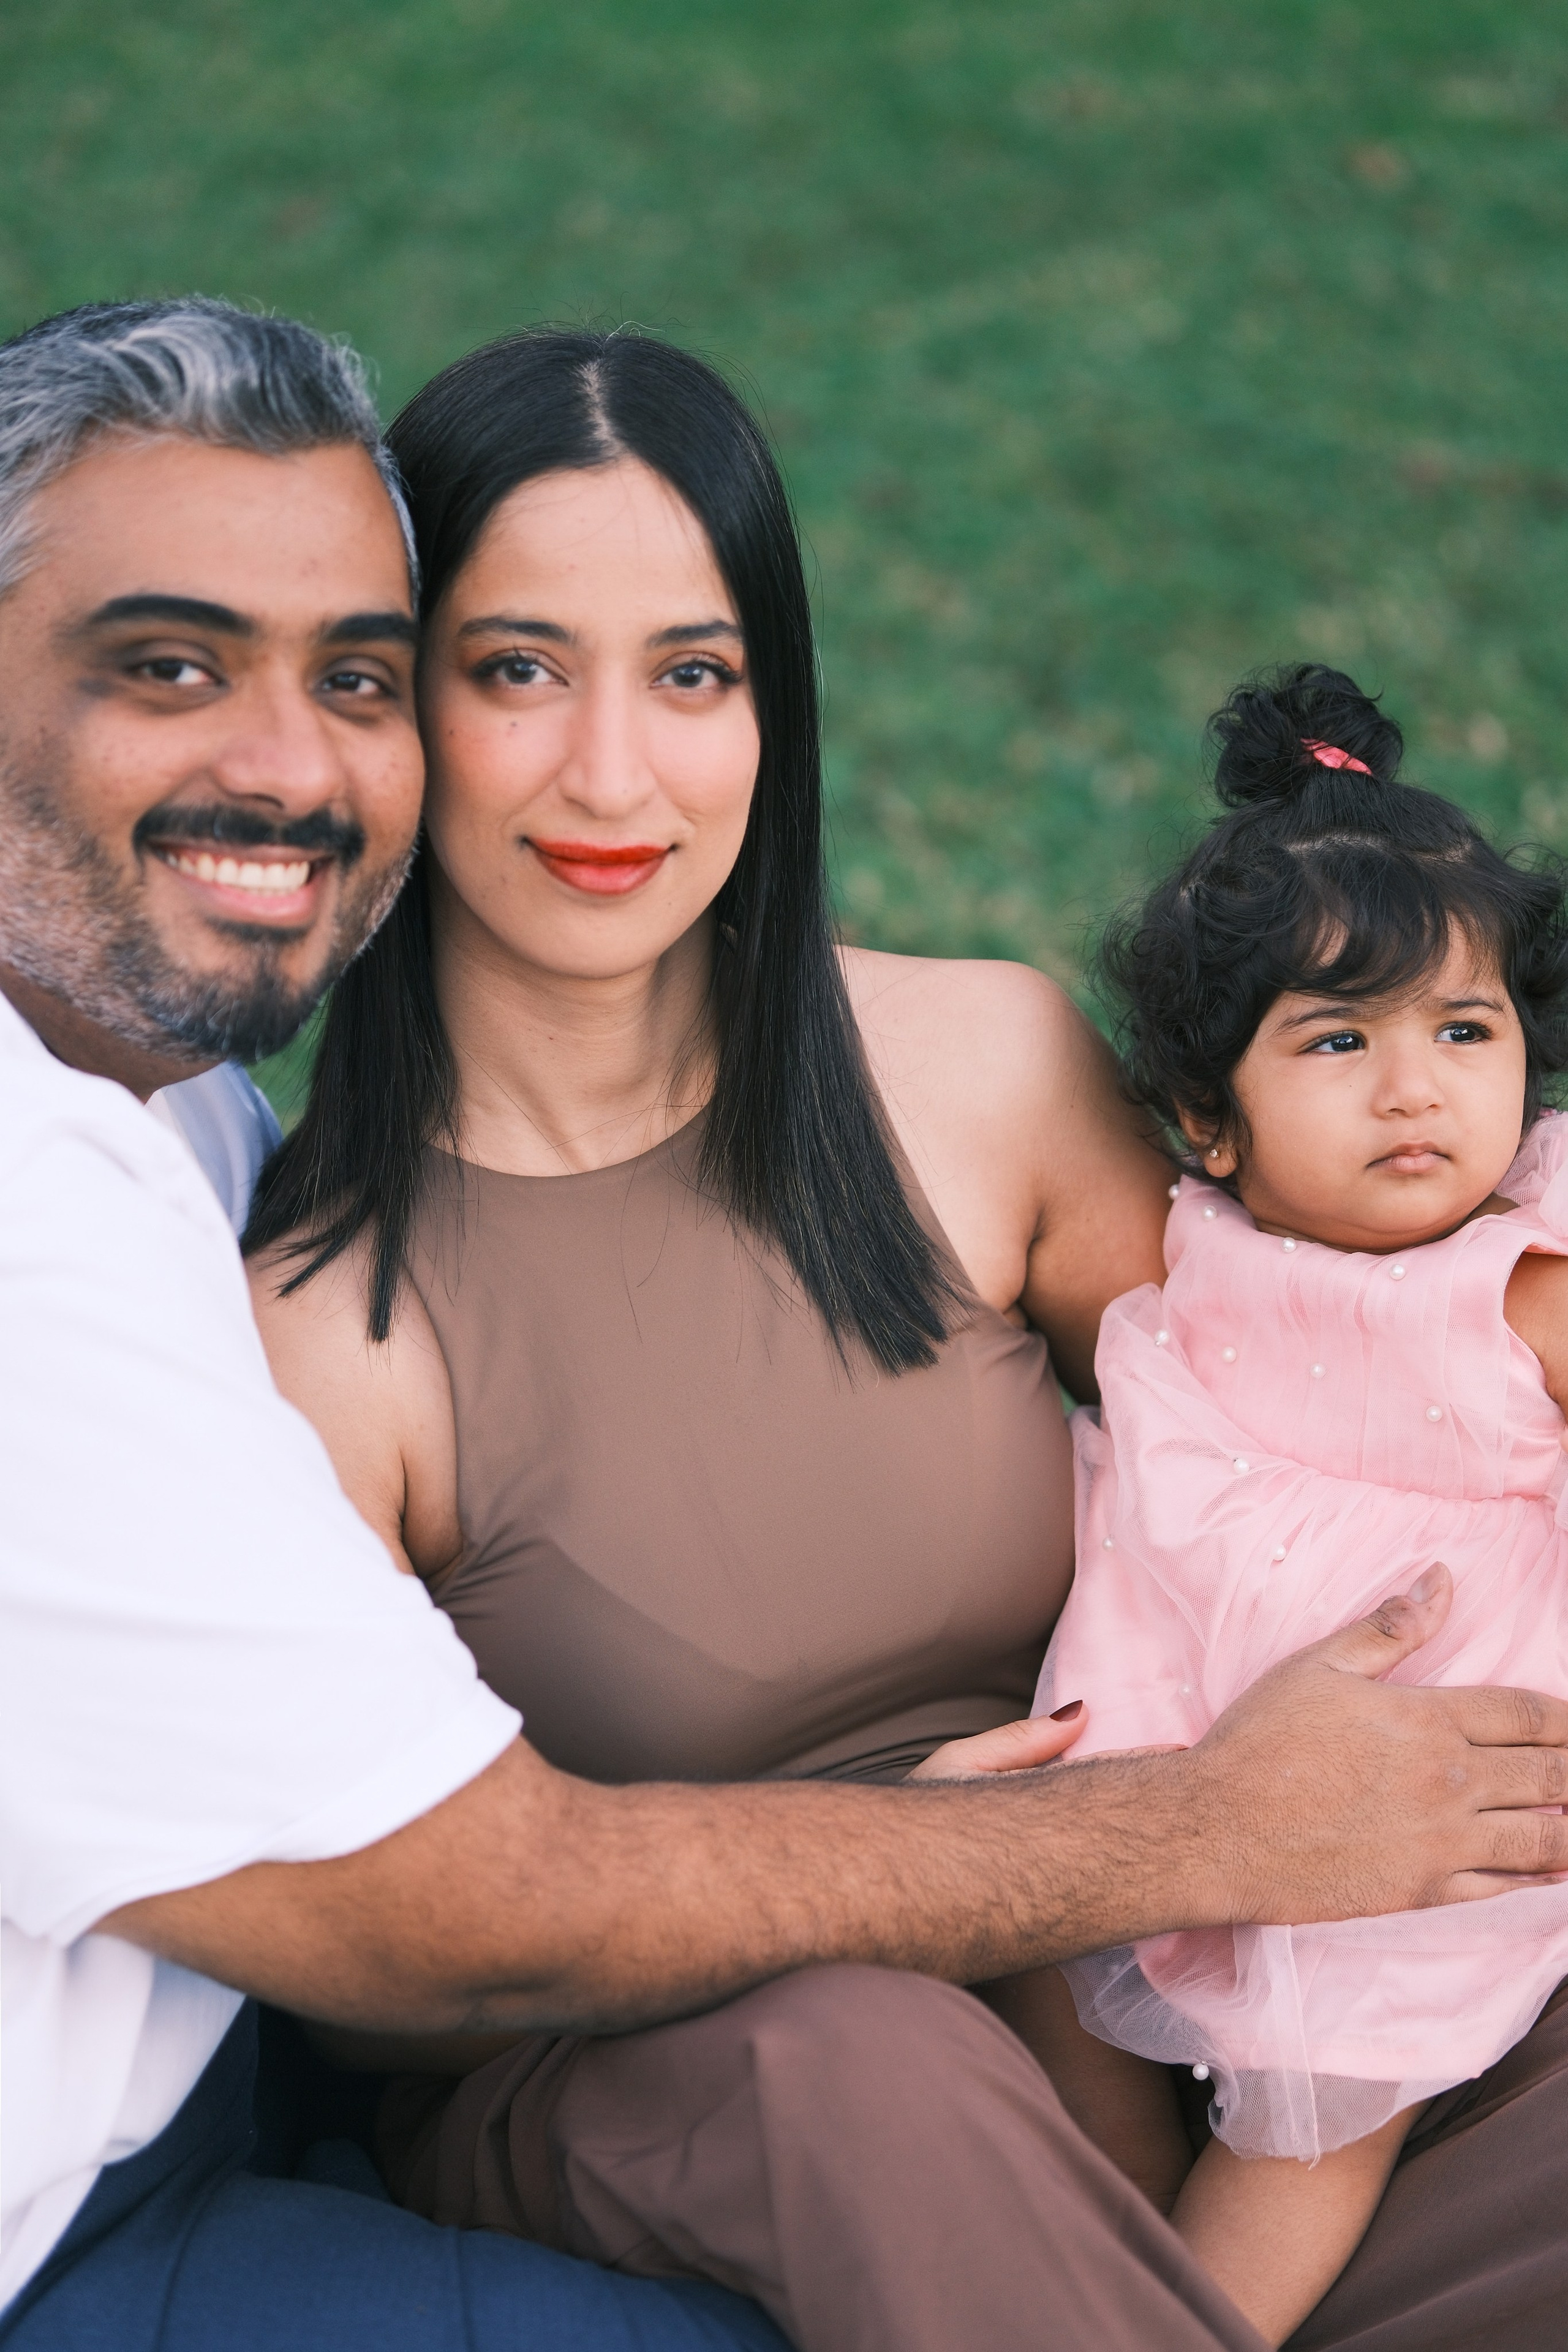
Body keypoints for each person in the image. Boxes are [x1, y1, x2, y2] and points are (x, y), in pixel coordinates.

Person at [2, 299, 1567, 2352]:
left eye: (696, 674)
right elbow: (393, 1968)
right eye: (514, 670)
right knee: (859, 2061)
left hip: (1145, 1980)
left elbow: (1346, 1377)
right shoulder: (318, 1324)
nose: (613, 774)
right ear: (410, 714)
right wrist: (984, 1859)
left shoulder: (980, 1069)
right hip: (683, 2062)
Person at [1022, 665, 1568, 2345]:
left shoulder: (1528, 1276)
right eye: (1340, 1042)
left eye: (1461, 1033)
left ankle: (1192, 2328)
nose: (1415, 1090)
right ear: (1210, 1122)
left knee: (1320, 2123)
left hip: (1416, 1775)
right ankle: (1080, 2252)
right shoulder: (1199, 1243)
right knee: (1055, 1978)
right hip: (1176, 1703)